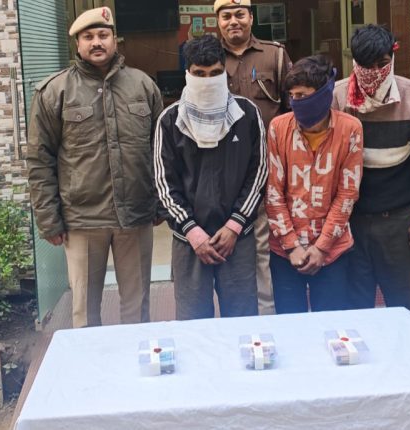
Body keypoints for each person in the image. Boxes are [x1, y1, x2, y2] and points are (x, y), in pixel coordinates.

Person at [27, 7, 163, 328]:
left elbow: (161, 151)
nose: (96, 42)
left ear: (115, 40)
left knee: (138, 309)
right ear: (77, 44)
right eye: (88, 37)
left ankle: (134, 356)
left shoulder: (143, 85)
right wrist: (49, 218)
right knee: (85, 313)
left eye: (103, 35)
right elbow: (40, 159)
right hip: (83, 219)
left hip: (135, 215)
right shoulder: (55, 91)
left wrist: (161, 203)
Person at [154, 35, 267, 320]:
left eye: (215, 73)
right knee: (193, 323)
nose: (207, 80)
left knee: (242, 321)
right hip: (188, 241)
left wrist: (235, 224)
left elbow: (259, 173)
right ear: (187, 73)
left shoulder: (247, 114)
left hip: (237, 239)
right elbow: (165, 184)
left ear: (225, 71)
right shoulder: (169, 120)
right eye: (199, 74)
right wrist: (192, 231)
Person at [332, 24, 410, 317]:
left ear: (392, 57)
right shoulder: (339, 97)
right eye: (366, 65)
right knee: (356, 308)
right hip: (351, 221)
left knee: (403, 307)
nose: (374, 72)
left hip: (398, 223)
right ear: (355, 62)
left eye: (382, 63)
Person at [266, 55, 363, 314]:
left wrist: (321, 248)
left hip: (333, 251)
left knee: (331, 325)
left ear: (323, 94)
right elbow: (273, 193)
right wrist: (292, 245)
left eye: (302, 95)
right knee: (291, 326)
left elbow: (347, 194)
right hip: (285, 252)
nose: (295, 102)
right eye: (292, 96)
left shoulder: (350, 129)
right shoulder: (278, 128)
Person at [215, 0, 293, 315]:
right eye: (226, 16)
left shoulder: (275, 55)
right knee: (229, 243)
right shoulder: (209, 57)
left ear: (250, 17)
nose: (233, 21)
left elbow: (292, 110)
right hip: (222, 171)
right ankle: (235, 318)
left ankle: (265, 318)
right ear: (217, 21)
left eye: (239, 14)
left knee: (264, 246)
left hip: (268, 169)